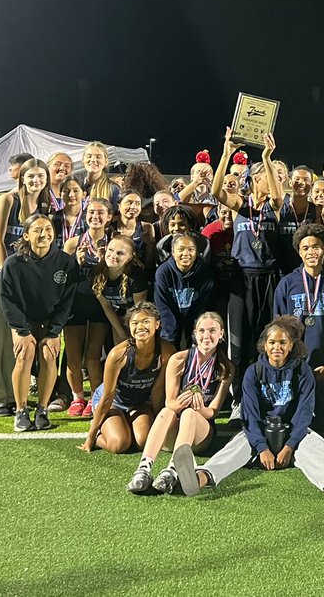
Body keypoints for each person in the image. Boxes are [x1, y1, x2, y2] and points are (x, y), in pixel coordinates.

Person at [183, 316, 324, 497]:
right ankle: (201, 477)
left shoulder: (303, 371)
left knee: (314, 444)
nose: (277, 347)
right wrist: (262, 448)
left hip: (292, 432)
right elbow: (250, 416)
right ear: (264, 346)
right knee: (237, 445)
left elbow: (304, 413)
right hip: (260, 432)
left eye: (282, 342)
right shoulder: (253, 372)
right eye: (272, 343)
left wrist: (290, 446)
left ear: (291, 345)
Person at [131, 311, 235, 494]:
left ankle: (173, 469)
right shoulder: (179, 359)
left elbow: (214, 411)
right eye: (202, 330)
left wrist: (199, 408)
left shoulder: (226, 367)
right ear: (194, 333)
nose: (206, 336)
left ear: (222, 334)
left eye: (212, 330)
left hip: (201, 434)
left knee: (189, 413)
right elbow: (169, 402)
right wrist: (181, 402)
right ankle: (143, 469)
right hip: (173, 431)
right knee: (166, 412)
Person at [0, 158, 51, 416]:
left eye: (40, 177)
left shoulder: (42, 206)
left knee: (14, 340)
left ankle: (11, 395)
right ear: (22, 177)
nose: (36, 181)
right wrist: (7, 273)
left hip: (21, 280)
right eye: (31, 176)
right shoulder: (8, 200)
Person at [210, 129, 284, 379]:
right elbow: (216, 191)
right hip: (242, 278)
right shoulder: (240, 205)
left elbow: (276, 195)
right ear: (253, 180)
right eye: (266, 175)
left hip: (270, 277)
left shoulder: (274, 206)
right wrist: (225, 155)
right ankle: (238, 396)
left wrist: (267, 159)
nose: (273, 179)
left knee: (268, 335)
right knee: (240, 338)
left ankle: (265, 386)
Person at [0, 214, 80, 432]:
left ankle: (42, 409)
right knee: (25, 352)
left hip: (50, 321)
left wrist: (54, 333)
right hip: (23, 321)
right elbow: (7, 300)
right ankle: (21, 410)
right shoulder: (13, 263)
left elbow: (67, 302)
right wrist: (21, 331)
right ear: (26, 235)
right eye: (37, 230)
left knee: (48, 353)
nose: (44, 234)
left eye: (48, 229)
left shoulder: (66, 262)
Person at [272, 224, 324, 429]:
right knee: (292, 424)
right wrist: (292, 362)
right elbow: (278, 330)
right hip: (295, 365)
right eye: (306, 248)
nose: (311, 252)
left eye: (316, 246)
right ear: (299, 252)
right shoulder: (287, 284)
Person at [80, 302, 176, 454]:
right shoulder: (118, 354)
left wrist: (160, 425)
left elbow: (158, 391)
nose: (140, 327)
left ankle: (126, 423)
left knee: (144, 441)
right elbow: (108, 395)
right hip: (113, 402)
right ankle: (100, 431)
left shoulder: (167, 351)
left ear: (157, 324)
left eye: (146, 322)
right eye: (135, 323)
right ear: (129, 327)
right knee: (119, 444)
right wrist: (90, 437)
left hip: (140, 403)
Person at [62, 197, 114, 417]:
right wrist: (76, 263)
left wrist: (105, 263)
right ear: (85, 215)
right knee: (73, 356)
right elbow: (61, 276)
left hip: (99, 305)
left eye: (101, 212)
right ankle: (77, 397)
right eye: (92, 212)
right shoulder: (73, 243)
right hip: (76, 303)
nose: (96, 216)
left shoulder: (113, 243)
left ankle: (95, 397)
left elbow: (119, 276)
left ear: (109, 217)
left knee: (93, 357)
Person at [84, 234, 151, 344]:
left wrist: (133, 334)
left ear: (129, 257)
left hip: (138, 315)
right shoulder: (97, 274)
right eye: (110, 250)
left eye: (120, 253)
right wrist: (122, 335)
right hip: (118, 314)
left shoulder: (136, 276)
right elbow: (107, 307)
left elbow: (139, 309)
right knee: (120, 342)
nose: (113, 256)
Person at [153, 233, 215, 348]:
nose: (186, 254)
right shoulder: (163, 272)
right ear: (173, 252)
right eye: (180, 249)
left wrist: (195, 331)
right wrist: (169, 337)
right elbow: (164, 307)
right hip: (170, 315)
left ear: (197, 252)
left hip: (194, 314)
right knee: (169, 341)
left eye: (190, 249)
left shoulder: (205, 272)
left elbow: (202, 306)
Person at [277, 166, 318, 274]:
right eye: (297, 179)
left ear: (312, 184)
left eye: (306, 180)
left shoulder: (317, 210)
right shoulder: (280, 207)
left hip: (307, 270)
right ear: (290, 183)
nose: (301, 183)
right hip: (281, 270)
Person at [78, 141, 121, 206]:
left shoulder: (112, 189)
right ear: (83, 160)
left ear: (106, 162)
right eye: (89, 156)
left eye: (98, 157)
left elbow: (116, 215)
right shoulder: (76, 186)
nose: (93, 160)